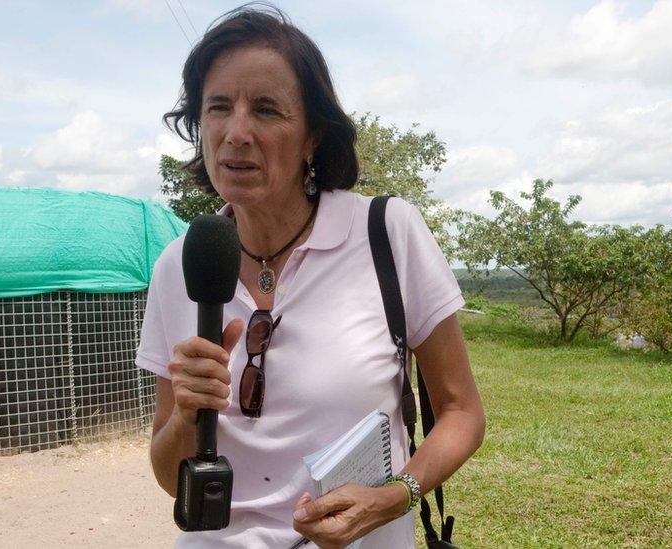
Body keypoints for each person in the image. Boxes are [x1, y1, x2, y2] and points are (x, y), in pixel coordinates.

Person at [136, 6, 485, 548]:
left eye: (267, 110)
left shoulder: (387, 233)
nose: (237, 133)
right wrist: (185, 417)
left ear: (314, 137)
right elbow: (167, 475)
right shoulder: (179, 264)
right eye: (219, 108)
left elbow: (462, 413)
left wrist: (396, 496)